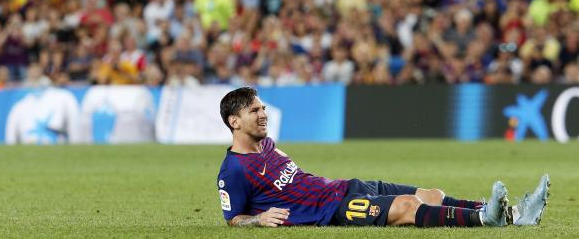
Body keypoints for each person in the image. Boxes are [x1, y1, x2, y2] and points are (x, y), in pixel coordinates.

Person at [216, 87, 550, 228]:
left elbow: (293, 179)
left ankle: (518, 214)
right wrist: (258, 219)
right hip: (331, 210)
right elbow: (232, 219)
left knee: (430, 194)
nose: (263, 114)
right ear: (235, 121)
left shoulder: (269, 145)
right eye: (254, 111)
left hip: (344, 188)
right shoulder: (233, 170)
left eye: (262, 108)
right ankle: (486, 219)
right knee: (407, 208)